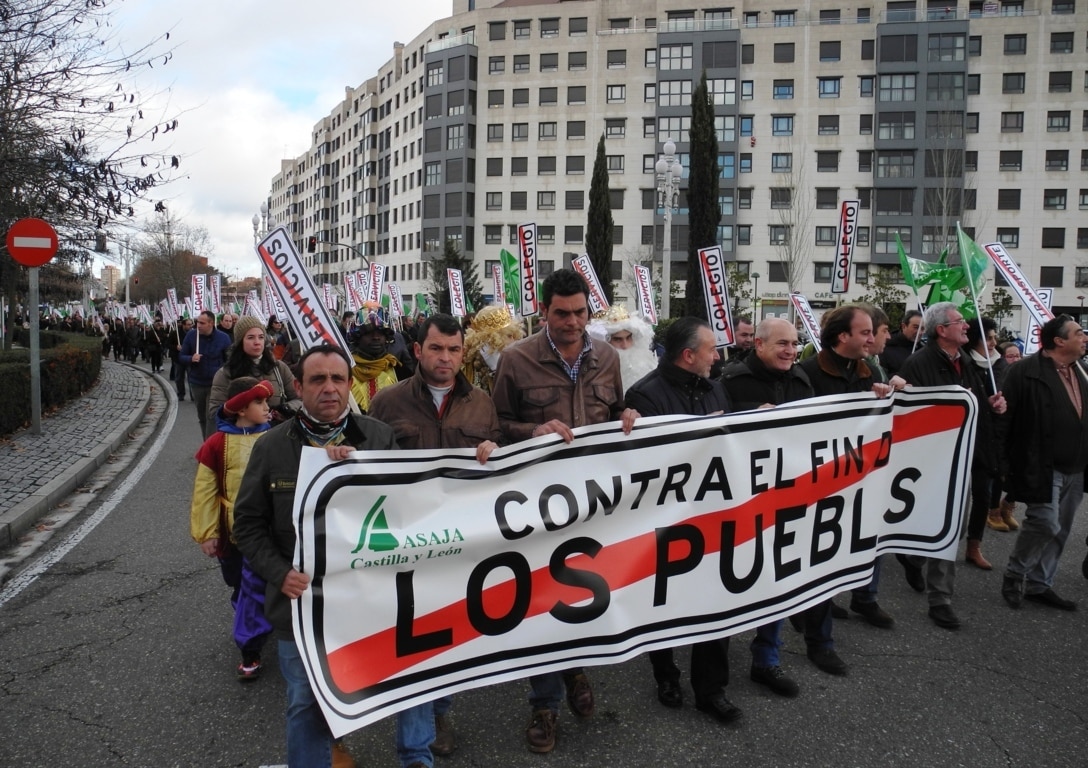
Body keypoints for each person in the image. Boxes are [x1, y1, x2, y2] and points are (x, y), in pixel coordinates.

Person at [491, 268, 638, 755]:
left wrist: (629, 419)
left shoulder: (609, 358)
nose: (572, 322)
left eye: (580, 313)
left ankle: (573, 666)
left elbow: (617, 411)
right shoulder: (515, 360)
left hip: (594, 505)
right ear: (544, 311)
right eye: (561, 313)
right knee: (542, 602)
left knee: (583, 594)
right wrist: (529, 432)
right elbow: (494, 426)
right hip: (536, 506)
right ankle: (545, 703)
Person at [234, 345, 398, 768]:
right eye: (317, 380)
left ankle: (338, 748)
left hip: (362, 604)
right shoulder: (271, 447)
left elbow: (406, 515)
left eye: (338, 379)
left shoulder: (379, 438)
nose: (329, 388)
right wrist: (280, 572)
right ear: (299, 387)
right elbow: (247, 526)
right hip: (299, 608)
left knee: (354, 695)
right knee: (304, 703)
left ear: (349, 385)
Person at [368, 314, 502, 767]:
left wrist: (495, 454)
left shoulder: (482, 403)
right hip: (407, 549)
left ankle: (440, 709)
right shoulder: (386, 403)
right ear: (418, 350)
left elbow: (502, 468)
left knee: (452, 638)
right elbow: (365, 475)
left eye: (454, 350)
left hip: (464, 547)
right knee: (414, 645)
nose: (445, 358)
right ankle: (416, 747)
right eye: (437, 349)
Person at [625, 317, 754, 721]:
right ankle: (665, 672)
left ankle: (711, 689)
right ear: (688, 355)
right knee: (664, 600)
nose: (718, 356)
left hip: (713, 515)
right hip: (666, 520)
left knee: (716, 599)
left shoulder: (717, 388)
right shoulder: (644, 397)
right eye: (712, 350)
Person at [797, 305, 895, 674]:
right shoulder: (806, 374)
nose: (874, 338)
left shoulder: (873, 371)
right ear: (843, 337)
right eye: (867, 332)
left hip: (854, 485)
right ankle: (818, 640)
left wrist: (885, 397)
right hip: (813, 487)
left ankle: (820, 626)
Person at [897, 304, 1007, 629]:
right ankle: (940, 599)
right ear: (941, 330)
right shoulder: (918, 363)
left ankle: (914, 557)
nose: (967, 327)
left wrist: (987, 405)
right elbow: (911, 413)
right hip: (937, 460)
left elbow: (968, 403)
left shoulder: (966, 362)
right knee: (945, 526)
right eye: (959, 322)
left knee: (952, 527)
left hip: (967, 455)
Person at [721, 317, 813, 697]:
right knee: (729, 577)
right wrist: (746, 420)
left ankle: (767, 658)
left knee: (778, 574)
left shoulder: (802, 381)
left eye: (794, 343)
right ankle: (715, 657)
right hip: (738, 499)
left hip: (787, 495)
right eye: (782, 344)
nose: (791, 351)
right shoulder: (730, 381)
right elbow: (713, 433)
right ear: (758, 344)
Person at [1000, 315, 1088, 611]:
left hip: (1076, 465)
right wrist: (1004, 463)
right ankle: (1015, 574)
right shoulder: (1024, 372)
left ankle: (1040, 584)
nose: (1084, 337)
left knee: (1061, 528)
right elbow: (1005, 418)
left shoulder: (1081, 371)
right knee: (1045, 522)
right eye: (1078, 333)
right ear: (1059, 341)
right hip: (1041, 463)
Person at [189, 377, 275, 681]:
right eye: (260, 403)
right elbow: (205, 491)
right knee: (240, 585)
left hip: (270, 533)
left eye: (267, 402)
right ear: (240, 410)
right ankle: (251, 620)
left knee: (256, 587)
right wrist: (208, 532)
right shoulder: (217, 444)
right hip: (233, 533)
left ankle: (250, 647)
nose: (267, 408)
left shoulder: (277, 438)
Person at [207, 316, 302, 427]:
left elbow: (300, 399)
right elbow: (216, 413)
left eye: (261, 337)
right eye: (251, 337)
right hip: (242, 438)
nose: (257, 342)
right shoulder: (226, 373)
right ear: (240, 341)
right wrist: (246, 416)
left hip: (277, 435)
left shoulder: (279, 368)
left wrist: (283, 410)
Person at [180, 310, 233, 438]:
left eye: (202, 323)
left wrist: (225, 375)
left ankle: (210, 447)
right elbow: (181, 356)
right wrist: (191, 358)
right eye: (198, 322)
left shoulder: (223, 338)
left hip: (216, 384)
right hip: (197, 382)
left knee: (212, 416)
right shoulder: (191, 336)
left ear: (211, 323)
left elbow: (230, 360)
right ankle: (207, 443)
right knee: (202, 416)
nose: (198, 325)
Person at [587, 304, 657, 393]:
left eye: (629, 337)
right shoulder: (590, 368)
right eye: (617, 339)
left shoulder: (650, 368)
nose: (625, 345)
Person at [461, 304, 525, 394]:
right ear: (492, 340)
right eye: (509, 336)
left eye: (514, 335)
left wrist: (498, 369)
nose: (514, 340)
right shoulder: (468, 368)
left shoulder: (519, 361)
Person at [349, 311, 403, 411]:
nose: (376, 337)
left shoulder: (399, 370)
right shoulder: (345, 370)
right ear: (358, 338)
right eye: (369, 333)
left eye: (381, 333)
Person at [880, 309, 923, 375]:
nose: (919, 332)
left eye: (922, 328)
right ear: (904, 326)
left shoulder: (923, 349)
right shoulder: (886, 347)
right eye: (916, 327)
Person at [170, 317, 194, 400]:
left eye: (191, 324)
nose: (190, 326)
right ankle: (181, 393)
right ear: (183, 325)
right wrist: (176, 347)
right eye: (188, 325)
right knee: (179, 377)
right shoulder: (175, 333)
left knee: (191, 378)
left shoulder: (194, 333)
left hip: (190, 358)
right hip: (179, 358)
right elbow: (168, 344)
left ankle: (193, 395)